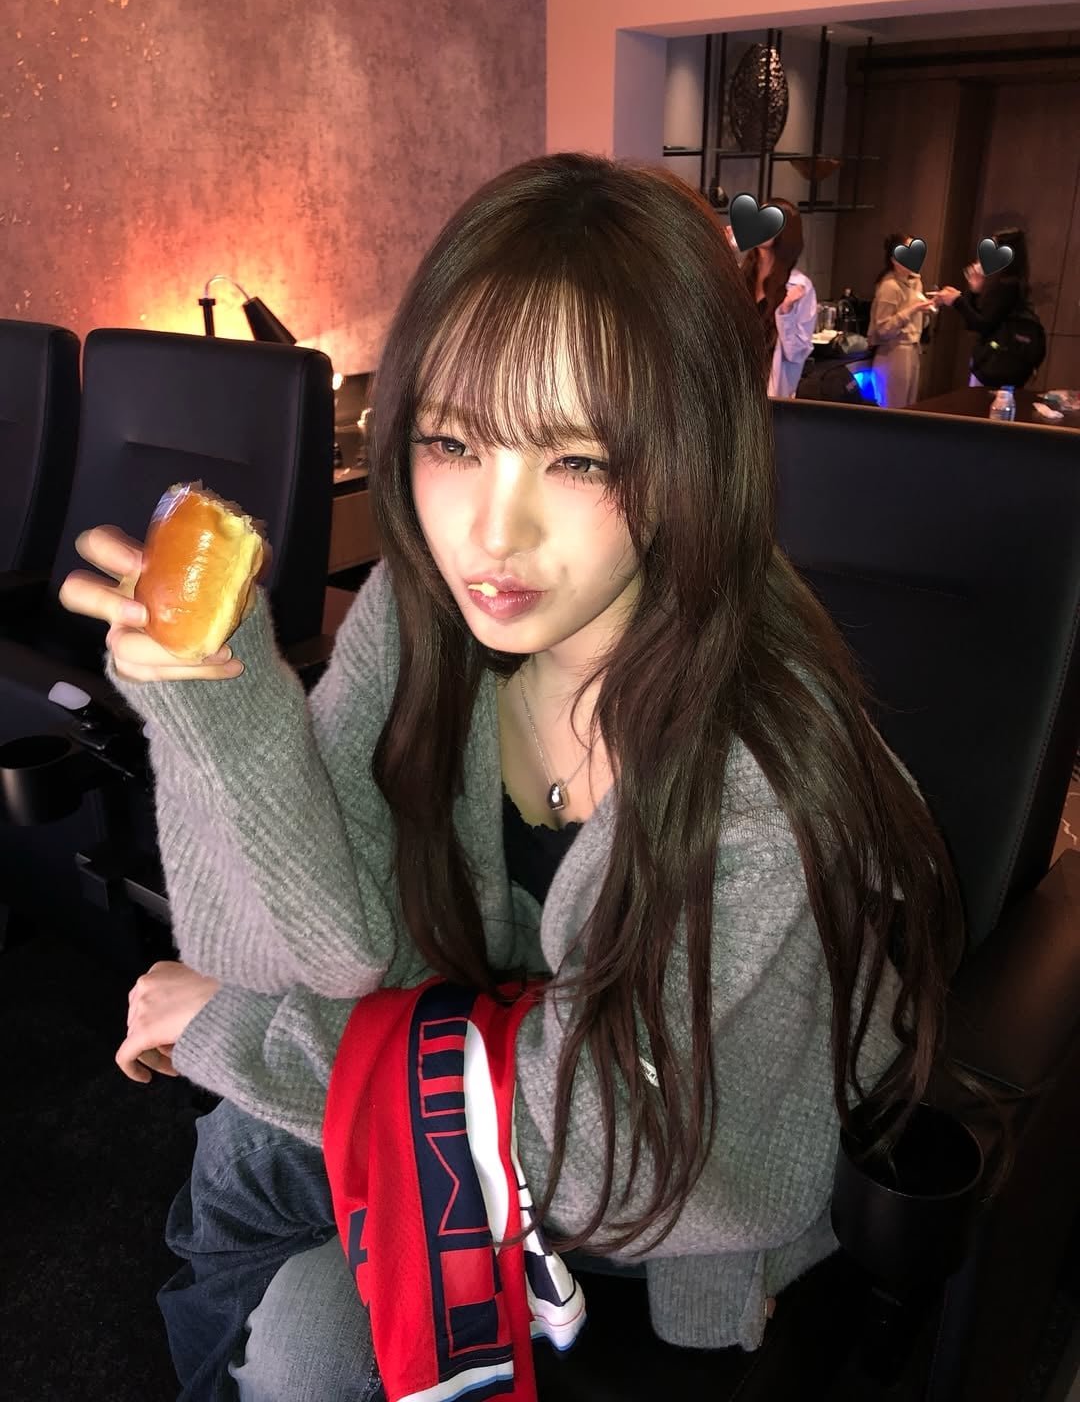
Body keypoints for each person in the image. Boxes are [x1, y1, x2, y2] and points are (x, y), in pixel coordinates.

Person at [62, 154, 976, 1401]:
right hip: (478, 1089)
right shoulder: (420, 617)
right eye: (452, 441)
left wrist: (233, 1033)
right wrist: (218, 703)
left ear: (692, 456)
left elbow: (620, 1146)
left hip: (666, 1199)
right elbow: (323, 951)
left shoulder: (759, 777)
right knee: (277, 1267)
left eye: (579, 461)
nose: (491, 535)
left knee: (263, 1214)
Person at [933, 228, 1039, 387]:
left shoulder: (1007, 286)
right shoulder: (1011, 283)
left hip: (996, 364)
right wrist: (974, 291)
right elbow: (976, 321)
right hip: (999, 363)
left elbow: (982, 325)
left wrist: (957, 300)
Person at [739, 197, 817, 398]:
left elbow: (797, 353)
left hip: (768, 390)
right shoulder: (739, 275)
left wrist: (786, 311)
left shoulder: (799, 286)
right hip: (734, 383)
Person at [867, 233, 939, 408]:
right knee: (893, 407)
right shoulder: (889, 286)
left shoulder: (915, 282)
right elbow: (883, 329)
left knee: (909, 407)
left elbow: (919, 324)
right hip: (893, 352)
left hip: (913, 349)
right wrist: (912, 309)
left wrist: (927, 309)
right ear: (895, 259)